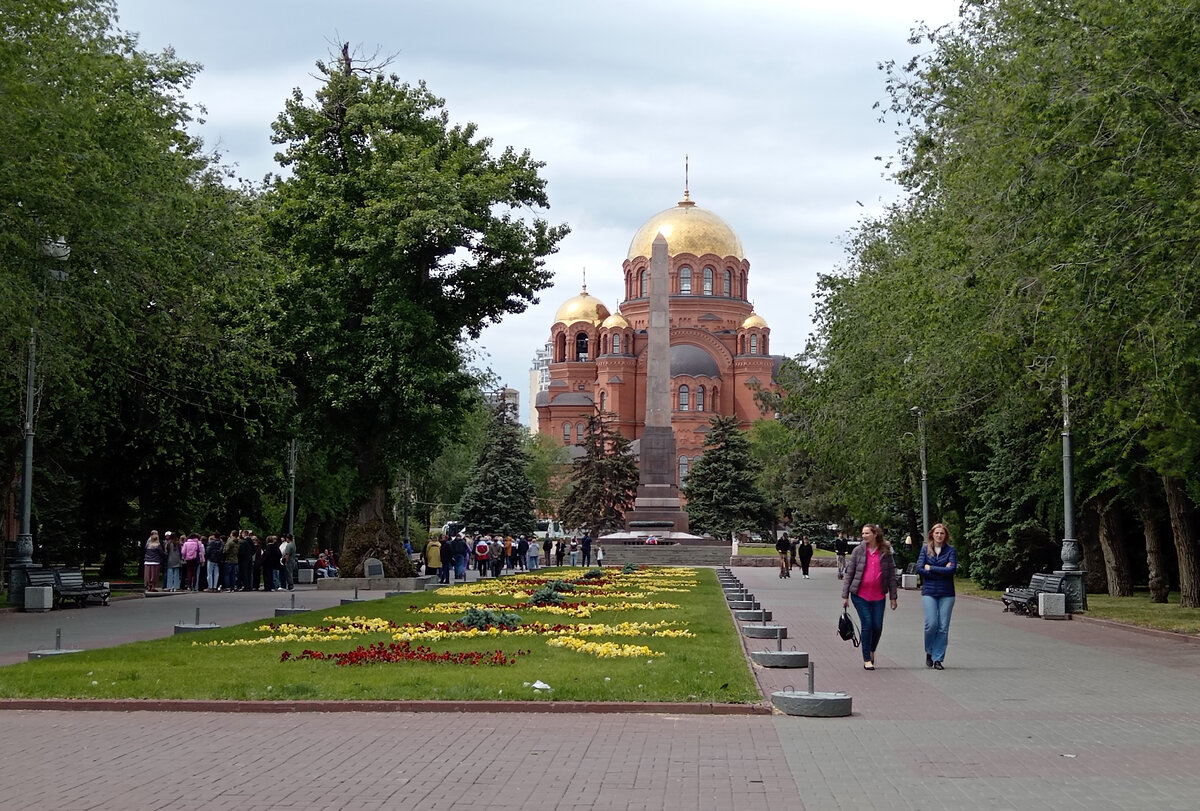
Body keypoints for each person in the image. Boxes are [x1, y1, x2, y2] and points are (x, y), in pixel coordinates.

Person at [841, 524, 898, 670]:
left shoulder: (885, 551)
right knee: (867, 624)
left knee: (877, 626)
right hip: (860, 595)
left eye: (867, 533)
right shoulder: (858, 551)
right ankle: (867, 659)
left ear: (875, 534)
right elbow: (849, 574)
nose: (864, 536)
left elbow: (891, 575)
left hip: (879, 595)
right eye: (862, 533)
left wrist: (893, 597)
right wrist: (845, 596)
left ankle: (872, 650)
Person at [918, 523, 957, 670]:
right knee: (931, 624)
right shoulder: (925, 550)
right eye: (937, 533)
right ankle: (929, 650)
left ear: (945, 535)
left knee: (943, 627)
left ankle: (938, 658)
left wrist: (932, 568)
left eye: (942, 533)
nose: (939, 536)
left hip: (947, 593)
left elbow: (952, 570)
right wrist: (942, 570)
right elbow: (920, 569)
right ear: (932, 535)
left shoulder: (950, 551)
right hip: (929, 592)